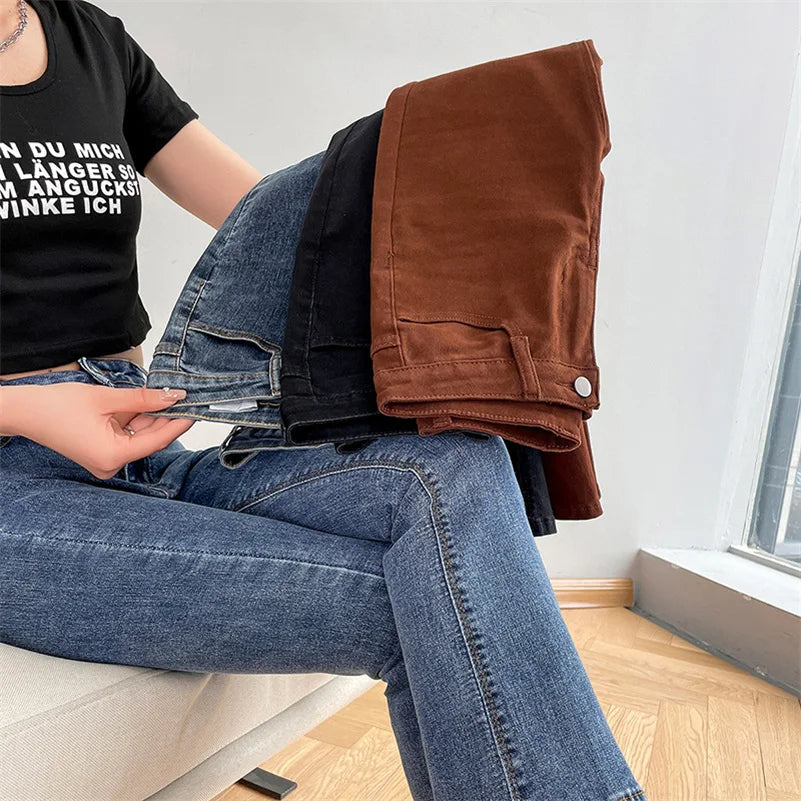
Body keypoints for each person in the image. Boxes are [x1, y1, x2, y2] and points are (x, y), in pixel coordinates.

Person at [0, 3, 649, 800]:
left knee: (454, 457)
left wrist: (474, 199)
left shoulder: (88, 37)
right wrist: (29, 410)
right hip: (13, 489)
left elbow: (271, 216)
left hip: (144, 447)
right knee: (439, 600)